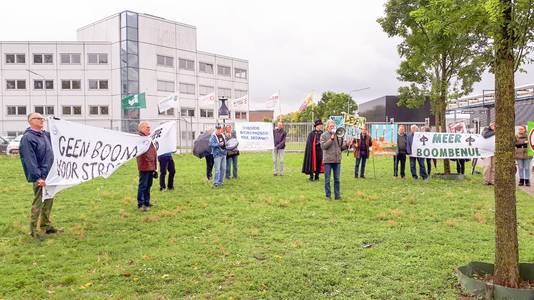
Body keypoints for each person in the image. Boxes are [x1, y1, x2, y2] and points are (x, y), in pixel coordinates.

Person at [19, 113, 57, 240]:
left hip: (50, 174)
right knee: (39, 201)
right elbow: (29, 159)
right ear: (31, 121)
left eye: (43, 118)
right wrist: (37, 177)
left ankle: (45, 225)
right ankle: (33, 230)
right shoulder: (28, 138)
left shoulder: (44, 135)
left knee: (49, 199)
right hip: (41, 176)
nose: (42, 120)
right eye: (39, 118)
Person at [320, 120, 349, 200]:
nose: (332, 128)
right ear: (327, 127)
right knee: (327, 179)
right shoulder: (323, 135)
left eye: (333, 126)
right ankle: (328, 196)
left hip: (337, 160)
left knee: (337, 179)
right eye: (331, 126)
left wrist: (346, 145)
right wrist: (331, 139)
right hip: (328, 161)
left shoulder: (338, 135)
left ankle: (337, 195)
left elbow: (341, 148)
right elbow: (323, 147)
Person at [137, 121, 158, 211]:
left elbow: (153, 152)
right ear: (142, 128)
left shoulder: (148, 138)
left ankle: (147, 201)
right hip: (145, 165)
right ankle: (141, 203)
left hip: (150, 165)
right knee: (143, 185)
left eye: (149, 127)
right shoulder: (140, 139)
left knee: (149, 185)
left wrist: (154, 167)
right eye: (147, 127)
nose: (149, 129)